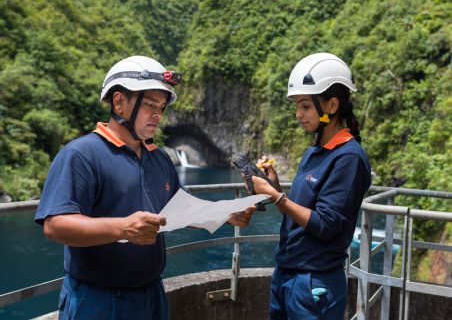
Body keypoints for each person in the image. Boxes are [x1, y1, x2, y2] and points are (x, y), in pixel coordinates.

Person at [34, 55, 256, 320]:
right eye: (150, 105)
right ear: (119, 102)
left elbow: (181, 207)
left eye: (161, 107)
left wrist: (225, 213)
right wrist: (122, 228)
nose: (158, 115)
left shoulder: (158, 158)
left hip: (151, 296)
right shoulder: (81, 155)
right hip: (98, 301)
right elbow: (55, 224)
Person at [248, 53, 371, 319]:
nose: (298, 114)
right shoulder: (314, 152)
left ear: (332, 104)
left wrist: (275, 195)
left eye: (305, 106)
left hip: (315, 284)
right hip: (287, 276)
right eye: (296, 106)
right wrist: (275, 186)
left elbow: (325, 225)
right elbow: (301, 213)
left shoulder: (348, 158)